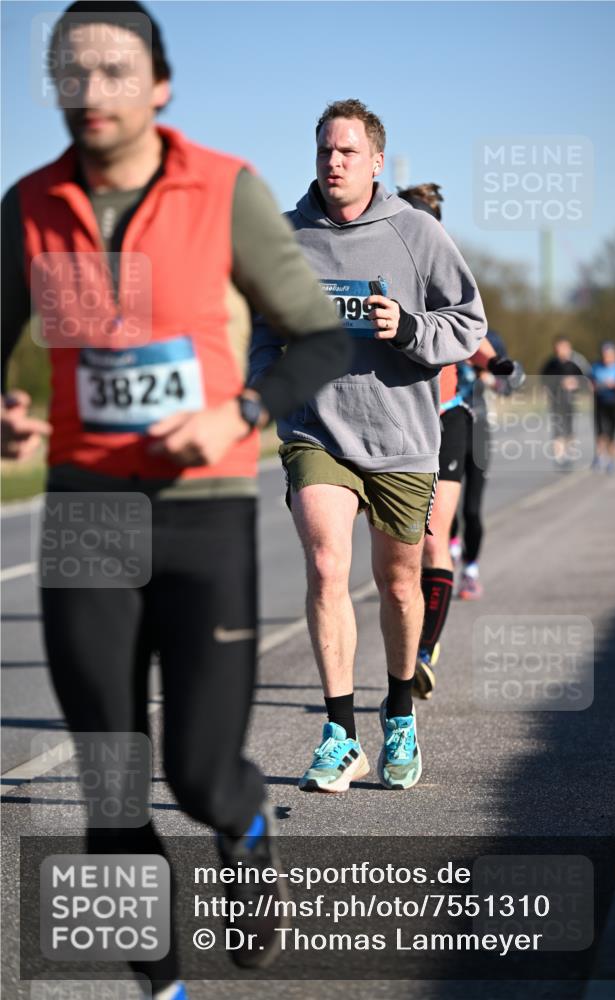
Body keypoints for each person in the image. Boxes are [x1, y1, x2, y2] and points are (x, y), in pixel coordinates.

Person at [1, 3, 350, 996]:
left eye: (115, 69)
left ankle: (244, 827)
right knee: (112, 795)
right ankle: (164, 987)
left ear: (158, 86)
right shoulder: (28, 205)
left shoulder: (225, 191)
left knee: (198, 774)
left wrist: (241, 408)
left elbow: (320, 338)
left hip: (203, 509)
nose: (91, 89)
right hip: (87, 513)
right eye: (72, 71)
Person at [250, 100, 486, 792]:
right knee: (327, 566)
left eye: (348, 151)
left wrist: (409, 328)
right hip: (316, 430)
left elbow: (468, 324)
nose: (334, 162)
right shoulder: (285, 236)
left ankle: (400, 714)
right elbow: (261, 326)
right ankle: (338, 734)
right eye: (325, 150)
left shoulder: (416, 233)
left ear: (376, 161)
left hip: (401, 435)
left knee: (399, 583)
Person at [397, 185, 523, 698]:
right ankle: (407, 636)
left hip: (448, 416)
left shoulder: (445, 270)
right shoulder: (381, 265)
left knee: (434, 539)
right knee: (400, 552)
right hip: (395, 420)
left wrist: (497, 362)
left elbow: (471, 333)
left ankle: (424, 654)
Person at [540, 336, 590, 468]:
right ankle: (559, 457)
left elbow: (586, 380)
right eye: (558, 348)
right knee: (557, 428)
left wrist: (575, 383)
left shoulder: (577, 362)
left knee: (569, 428)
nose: (561, 351)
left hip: (570, 400)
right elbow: (544, 381)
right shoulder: (551, 364)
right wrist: (556, 385)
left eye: (564, 347)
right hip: (556, 401)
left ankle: (569, 453)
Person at [590, 341, 615, 473]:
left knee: (612, 435)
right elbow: (590, 385)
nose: (606, 357)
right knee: (600, 432)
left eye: (609, 355)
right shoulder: (596, 367)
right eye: (604, 354)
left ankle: (612, 461)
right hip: (600, 403)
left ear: (614, 355)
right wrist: (598, 385)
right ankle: (599, 457)